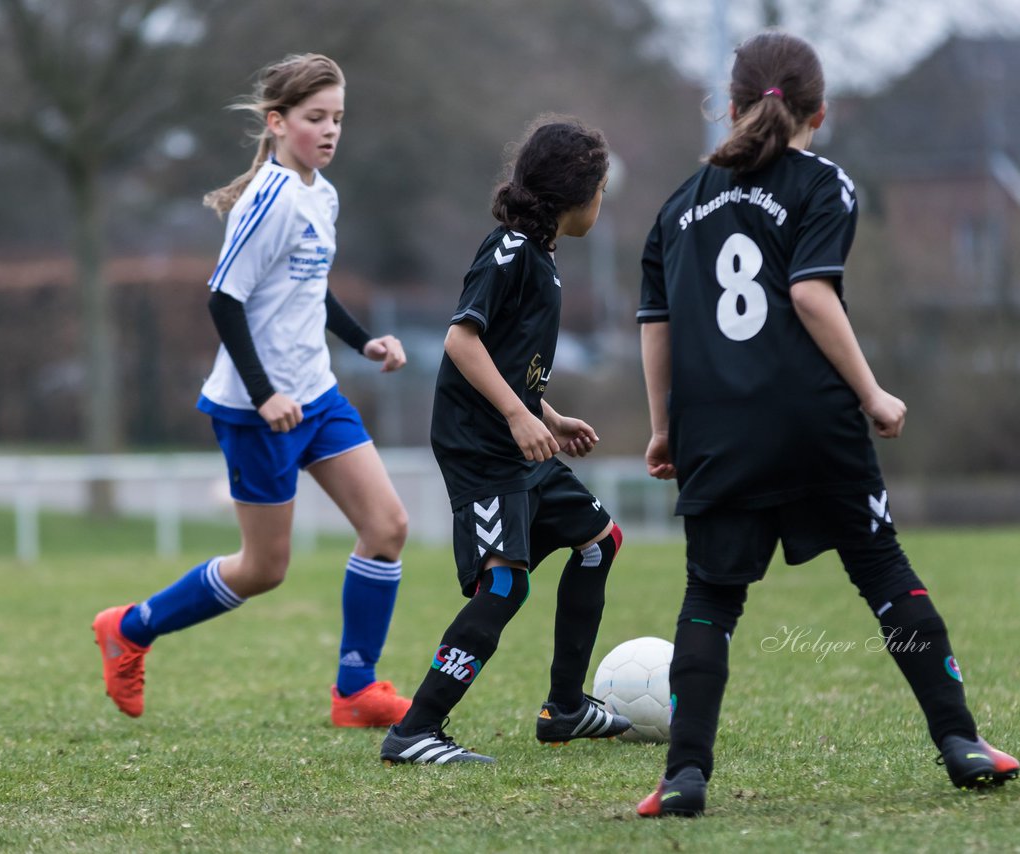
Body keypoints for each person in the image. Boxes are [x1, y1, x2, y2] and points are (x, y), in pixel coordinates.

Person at [634, 32, 1020, 817]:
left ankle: (683, 776)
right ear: (821, 111)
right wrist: (874, 394)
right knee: (881, 571)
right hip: (811, 420)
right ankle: (960, 742)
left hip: (714, 429)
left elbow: (657, 326)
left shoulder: (678, 205)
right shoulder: (824, 184)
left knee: (711, 597)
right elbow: (812, 296)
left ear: (732, 106)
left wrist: (662, 430)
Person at [92, 53, 413, 729]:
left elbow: (309, 288)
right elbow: (224, 300)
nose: (329, 131)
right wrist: (266, 395)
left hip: (317, 397)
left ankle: (355, 691)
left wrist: (363, 343)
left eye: (338, 119)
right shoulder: (267, 199)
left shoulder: (321, 192)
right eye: (315, 118)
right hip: (256, 411)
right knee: (265, 568)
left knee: (386, 528)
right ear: (277, 122)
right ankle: (130, 626)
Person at [379, 117, 631, 765]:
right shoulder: (511, 252)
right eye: (600, 190)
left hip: (519, 439)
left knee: (600, 543)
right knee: (503, 587)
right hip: (482, 446)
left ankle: (566, 707)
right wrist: (519, 420)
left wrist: (544, 414)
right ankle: (414, 731)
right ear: (577, 194)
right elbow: (462, 341)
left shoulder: (539, 259)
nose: (602, 203)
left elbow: (504, 356)